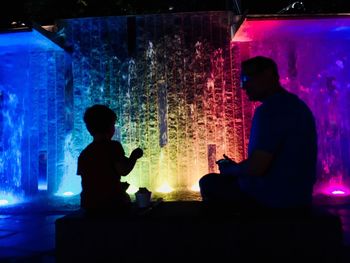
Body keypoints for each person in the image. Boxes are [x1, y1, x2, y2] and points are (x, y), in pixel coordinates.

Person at [199, 56, 318, 214]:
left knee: (209, 182)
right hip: (299, 196)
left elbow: (256, 168)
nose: (243, 86)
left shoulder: (271, 110)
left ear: (268, 75)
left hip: (274, 199)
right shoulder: (296, 105)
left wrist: (231, 170)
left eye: (246, 78)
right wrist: (238, 168)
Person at [77, 104, 143, 215]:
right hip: (113, 204)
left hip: (90, 205)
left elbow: (92, 182)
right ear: (110, 128)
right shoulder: (113, 146)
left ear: (89, 129)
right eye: (113, 124)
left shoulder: (84, 154)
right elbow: (124, 170)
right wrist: (134, 156)